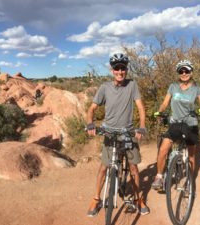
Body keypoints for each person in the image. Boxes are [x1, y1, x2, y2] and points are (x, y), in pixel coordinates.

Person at [86, 53, 150, 216]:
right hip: (109, 132)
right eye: (117, 68)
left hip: (128, 133)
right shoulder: (104, 88)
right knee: (104, 167)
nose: (120, 71)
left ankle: (138, 199)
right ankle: (96, 198)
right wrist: (90, 123)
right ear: (112, 70)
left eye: (123, 68)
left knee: (134, 168)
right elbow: (92, 108)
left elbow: (141, 108)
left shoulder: (132, 85)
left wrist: (142, 127)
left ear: (126, 69)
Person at [151, 59, 200, 190]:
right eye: (181, 71)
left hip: (190, 124)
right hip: (175, 123)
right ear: (178, 73)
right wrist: (159, 111)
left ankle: (190, 181)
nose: (184, 73)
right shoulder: (173, 87)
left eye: (186, 70)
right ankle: (159, 177)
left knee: (192, 156)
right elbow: (165, 102)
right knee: (163, 149)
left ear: (191, 72)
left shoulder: (196, 88)